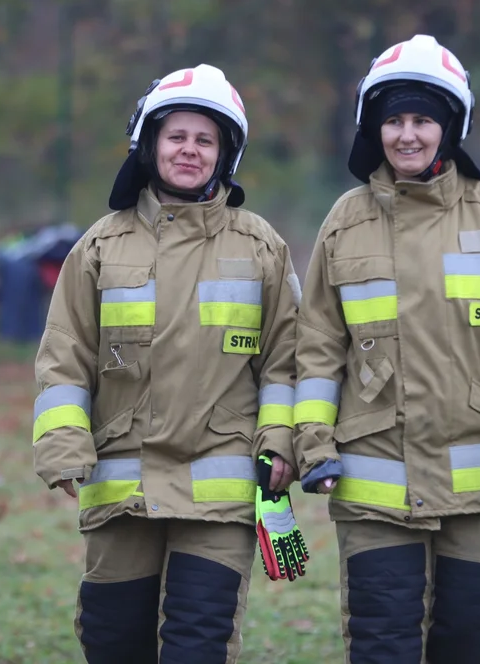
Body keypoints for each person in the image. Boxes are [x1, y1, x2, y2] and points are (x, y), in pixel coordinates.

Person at [292, 34, 480, 664]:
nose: (406, 135)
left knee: (476, 633)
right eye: (393, 120)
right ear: (374, 129)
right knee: (383, 643)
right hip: (374, 489)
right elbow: (315, 347)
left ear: (450, 127)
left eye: (422, 119)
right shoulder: (344, 223)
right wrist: (313, 442)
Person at [31, 63, 307, 664]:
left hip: (221, 488)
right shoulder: (101, 246)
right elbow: (64, 357)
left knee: (198, 644)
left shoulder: (260, 247)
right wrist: (61, 441)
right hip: (120, 486)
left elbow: (287, 361)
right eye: (177, 136)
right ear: (149, 144)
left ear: (225, 154)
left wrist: (281, 442)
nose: (189, 150)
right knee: (112, 643)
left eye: (205, 139)